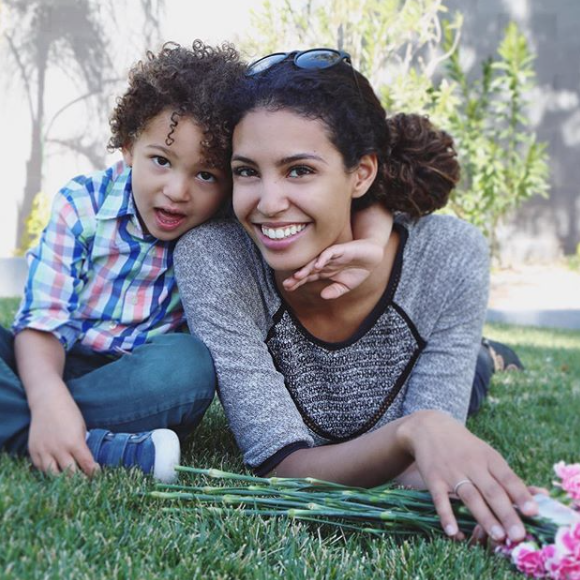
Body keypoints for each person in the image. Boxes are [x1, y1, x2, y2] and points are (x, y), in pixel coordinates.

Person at [173, 48, 535, 541]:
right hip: (403, 423)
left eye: (299, 170)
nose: (268, 203)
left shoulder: (449, 254)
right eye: (247, 171)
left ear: (361, 174)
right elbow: (281, 469)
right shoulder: (215, 259)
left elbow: (432, 457)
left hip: (424, 381)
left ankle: (488, 356)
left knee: (471, 377)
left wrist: (427, 433)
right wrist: (415, 431)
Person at [0, 41, 394, 483]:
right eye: (160, 161)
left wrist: (376, 237)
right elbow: (42, 322)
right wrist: (48, 396)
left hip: (142, 384)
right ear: (129, 148)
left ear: (229, 178)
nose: (177, 191)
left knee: (189, 365)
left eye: (205, 174)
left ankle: (25, 420)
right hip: (48, 361)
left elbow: (368, 192)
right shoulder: (83, 205)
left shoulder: (237, 219)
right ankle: (87, 441)